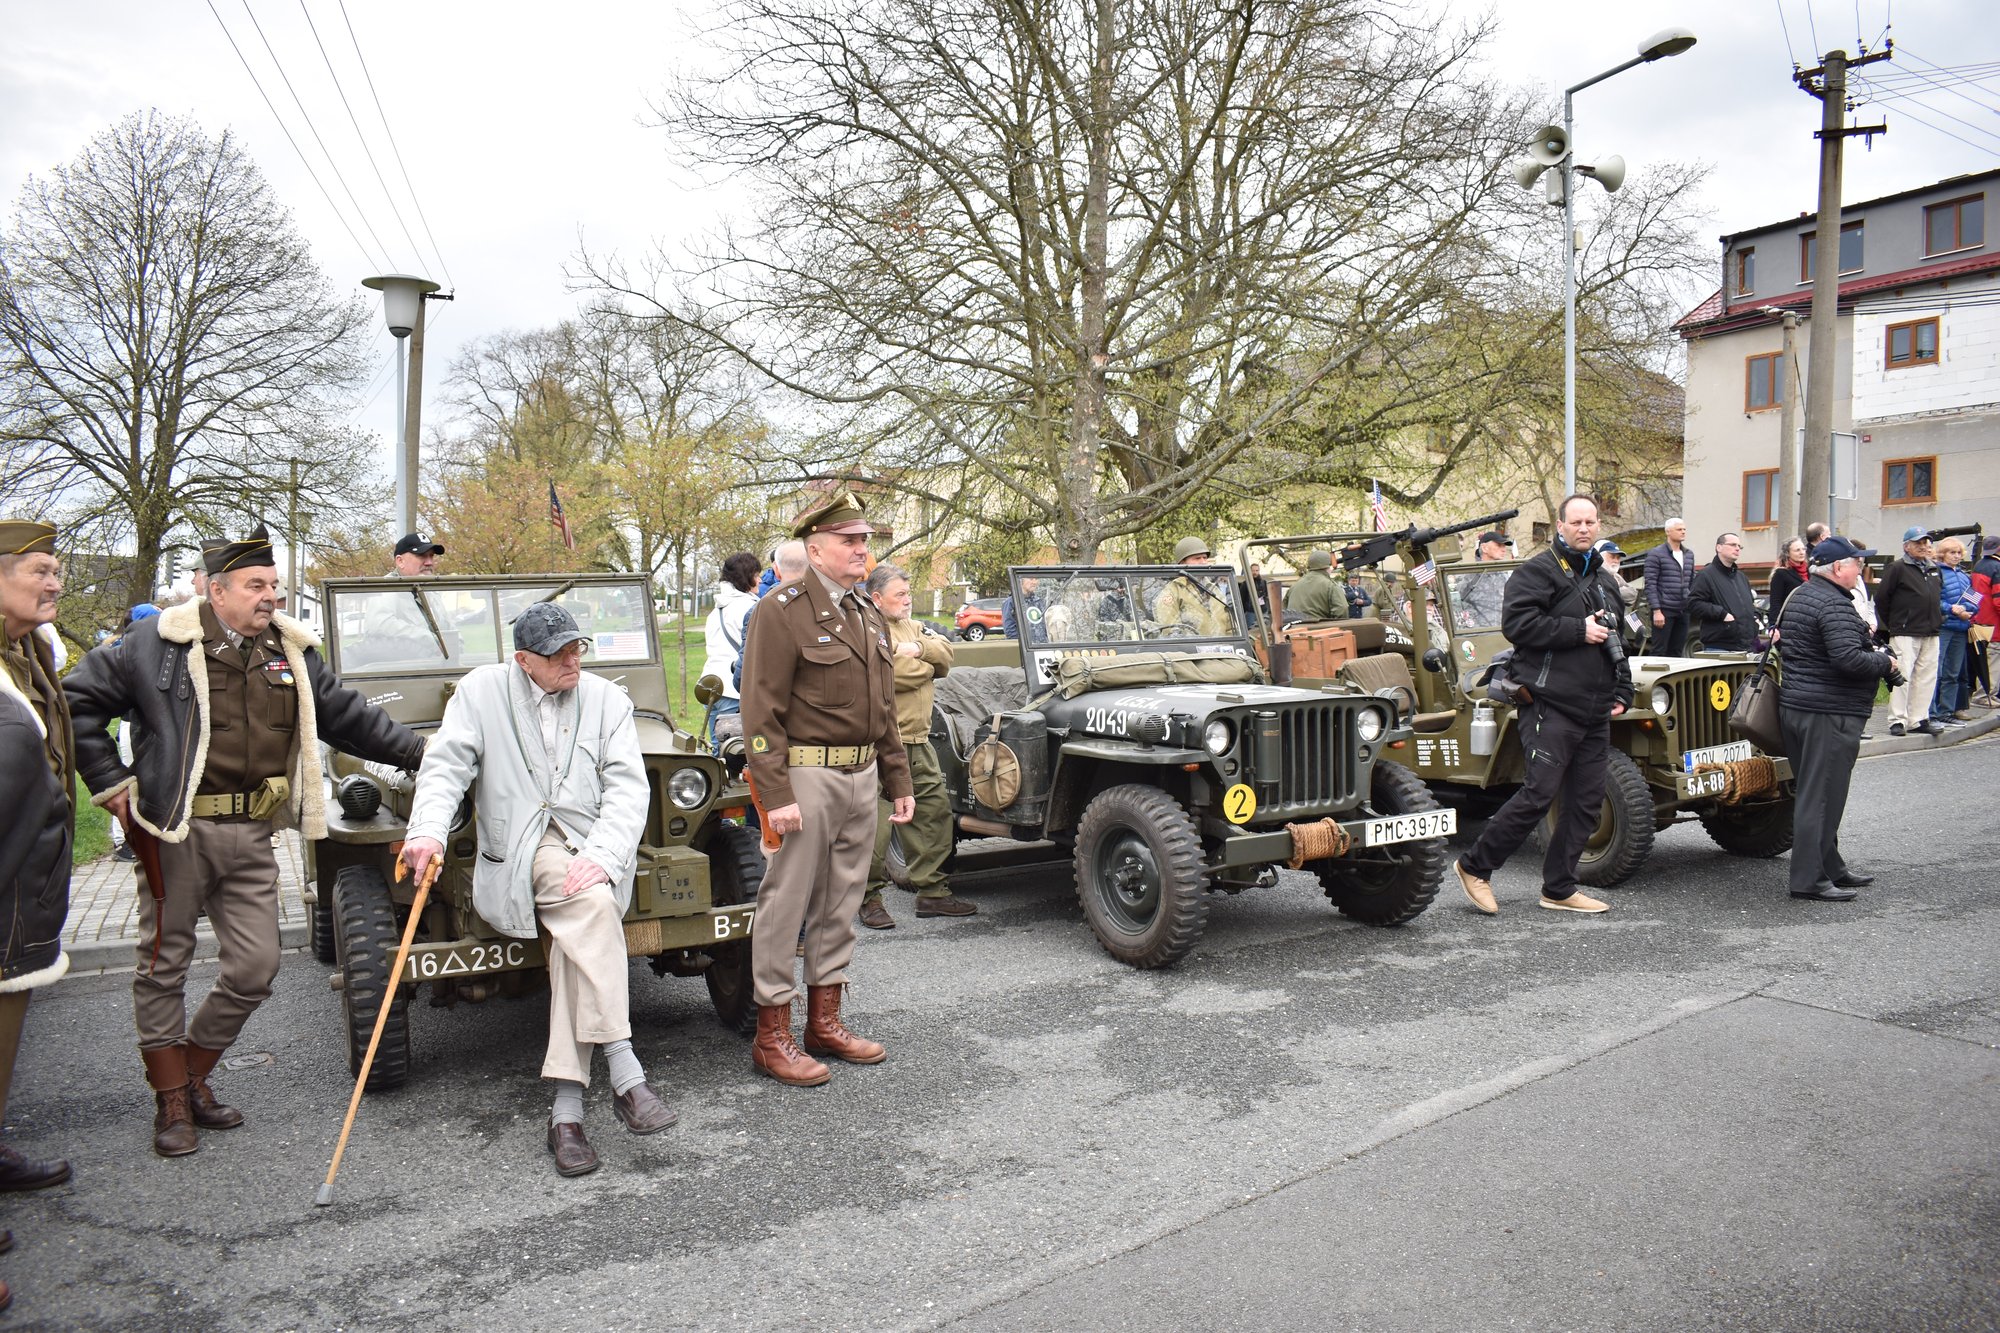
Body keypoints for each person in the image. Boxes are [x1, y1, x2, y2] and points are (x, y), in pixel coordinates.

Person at [64, 524, 428, 1158]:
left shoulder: (291, 649)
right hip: (175, 829)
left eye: (275, 586)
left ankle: (195, 1071)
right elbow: (76, 703)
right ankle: (173, 1101)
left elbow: (350, 718)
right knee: (163, 963)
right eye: (257, 586)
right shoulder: (156, 643)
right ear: (215, 588)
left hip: (253, 832)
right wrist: (108, 780)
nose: (270, 597)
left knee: (256, 969)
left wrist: (429, 754)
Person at [400, 602, 675, 1177]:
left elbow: (628, 789)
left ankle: (567, 1112)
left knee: (585, 919)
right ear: (522, 660)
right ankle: (625, 1069)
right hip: (521, 851)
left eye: (578, 647)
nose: (574, 660)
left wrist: (602, 855)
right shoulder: (479, 692)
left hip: (592, 846)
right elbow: (446, 765)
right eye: (558, 654)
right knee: (591, 907)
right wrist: (426, 832)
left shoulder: (608, 700)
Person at [738, 490, 913, 1086]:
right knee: (786, 906)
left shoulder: (865, 612)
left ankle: (824, 1023)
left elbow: (882, 706)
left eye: (865, 541)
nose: (862, 549)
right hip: (806, 777)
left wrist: (897, 777)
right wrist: (777, 793)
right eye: (850, 540)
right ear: (815, 549)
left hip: (861, 776)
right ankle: (772, 1035)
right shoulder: (781, 610)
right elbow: (759, 713)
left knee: (840, 904)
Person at [1452, 496, 1632, 917]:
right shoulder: (1536, 571)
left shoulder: (1605, 578)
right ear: (1560, 525)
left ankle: (1559, 887)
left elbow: (1616, 637)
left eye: (1590, 521)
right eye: (1576, 522)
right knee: (1539, 795)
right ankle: (1475, 866)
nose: (1584, 528)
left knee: (1586, 801)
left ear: (1598, 525)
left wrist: (1623, 691)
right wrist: (1576, 629)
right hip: (1550, 703)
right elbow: (1517, 626)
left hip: (1595, 707)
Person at [0, 519, 77, 1282]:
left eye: (56, 571)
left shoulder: (31, 656)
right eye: (39, 570)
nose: (54, 583)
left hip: (24, 887)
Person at [1775, 535, 1900, 901]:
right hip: (1827, 713)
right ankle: (1809, 879)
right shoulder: (1833, 604)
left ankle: (1830, 866)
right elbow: (1849, 659)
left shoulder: (1801, 595)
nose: (1860, 568)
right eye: (1856, 562)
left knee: (1816, 793)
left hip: (1800, 707)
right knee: (1823, 797)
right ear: (1838, 568)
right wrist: (1886, 662)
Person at [859, 563, 971, 930]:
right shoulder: (864, 626)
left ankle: (932, 893)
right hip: (878, 744)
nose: (908, 601)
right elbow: (890, 675)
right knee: (874, 828)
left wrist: (918, 649)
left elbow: (946, 655)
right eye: (900, 595)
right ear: (877, 598)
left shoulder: (911, 626)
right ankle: (868, 899)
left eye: (909, 594)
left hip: (917, 741)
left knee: (934, 815)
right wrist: (927, 665)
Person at [1874, 526, 1945, 738]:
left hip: (1931, 630)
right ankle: (1897, 719)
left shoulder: (1934, 568)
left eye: (1925, 543)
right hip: (1905, 631)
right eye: (1918, 543)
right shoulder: (1897, 568)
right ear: (1907, 546)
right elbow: (1882, 599)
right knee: (1902, 675)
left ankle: (1918, 718)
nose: (1923, 547)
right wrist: (1895, 624)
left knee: (1926, 677)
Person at [699, 552, 761, 751]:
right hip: (734, 690)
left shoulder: (715, 610)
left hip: (710, 687)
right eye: (756, 574)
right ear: (747, 576)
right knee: (738, 756)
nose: (759, 579)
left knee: (720, 756)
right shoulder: (750, 608)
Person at [1931, 537, 1978, 725]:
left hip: (1960, 628)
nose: (1957, 556)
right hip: (1943, 627)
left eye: (1959, 553)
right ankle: (1932, 712)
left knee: (1953, 673)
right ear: (1943, 554)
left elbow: (1975, 600)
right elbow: (1933, 600)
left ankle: (1947, 712)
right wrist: (1951, 609)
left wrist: (1969, 611)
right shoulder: (1936, 573)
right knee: (1937, 672)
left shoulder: (1964, 576)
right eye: (1952, 552)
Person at [1687, 532, 1758, 653]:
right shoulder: (1706, 575)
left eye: (1739, 546)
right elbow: (1694, 604)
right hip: (1719, 647)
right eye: (1732, 545)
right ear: (1718, 547)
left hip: (1746, 646)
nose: (1737, 548)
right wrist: (1723, 614)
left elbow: (1750, 605)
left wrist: (1755, 618)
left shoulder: (1741, 577)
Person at [1152, 537, 1236, 636]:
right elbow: (1170, 632)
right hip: (1189, 650)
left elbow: (1230, 628)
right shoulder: (1173, 591)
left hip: (1221, 649)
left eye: (1205, 558)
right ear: (1182, 562)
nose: (1203, 562)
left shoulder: (1215, 591)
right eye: (1197, 558)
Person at [1643, 517, 1694, 655]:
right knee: (1659, 650)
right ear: (1668, 532)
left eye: (1684, 529)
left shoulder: (1688, 555)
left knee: (1677, 651)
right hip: (1665, 609)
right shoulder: (1656, 554)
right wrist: (1656, 610)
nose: (1683, 532)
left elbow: (1691, 581)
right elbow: (1650, 584)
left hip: (1683, 610)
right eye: (1679, 529)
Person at [1593, 539, 1645, 651]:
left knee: (1641, 630)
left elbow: (1633, 594)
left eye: (1618, 557)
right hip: (1605, 626)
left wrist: (1614, 590)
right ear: (1599, 556)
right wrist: (1616, 590)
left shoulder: (1615, 576)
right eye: (1612, 556)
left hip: (1622, 617)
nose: (1616, 561)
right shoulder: (1594, 575)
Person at [1459, 530, 1515, 627]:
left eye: (1504, 546)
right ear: (1484, 548)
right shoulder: (1469, 576)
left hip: (1504, 633)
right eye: (1499, 545)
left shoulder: (1506, 576)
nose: (1504, 549)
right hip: (1477, 634)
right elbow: (1457, 605)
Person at [1969, 534, 2000, 707]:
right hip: (1995, 624)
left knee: (1981, 659)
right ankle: (1985, 695)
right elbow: (1998, 600)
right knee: (1993, 659)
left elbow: (1971, 594)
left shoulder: (1978, 566)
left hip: (1978, 619)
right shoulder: (1998, 568)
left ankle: (1982, 693)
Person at [1284, 551, 1345, 623]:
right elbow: (1342, 609)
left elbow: (1284, 609)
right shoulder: (1330, 586)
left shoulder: (1294, 586)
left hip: (1293, 630)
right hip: (1319, 630)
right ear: (1328, 567)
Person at [1768, 537, 1810, 620]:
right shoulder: (1781, 573)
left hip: (1810, 619)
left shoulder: (1811, 571)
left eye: (1803, 549)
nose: (1802, 552)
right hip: (1791, 620)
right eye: (1797, 550)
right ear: (1788, 553)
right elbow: (1775, 602)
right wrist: (1774, 625)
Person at [1000, 575, 1044, 642]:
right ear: (1021, 580)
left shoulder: (1038, 601)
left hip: (1042, 647)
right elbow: (1010, 631)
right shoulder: (1011, 602)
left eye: (1036, 578)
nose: (1034, 582)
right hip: (1024, 648)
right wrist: (1024, 645)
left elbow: (1043, 625)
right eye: (1031, 578)